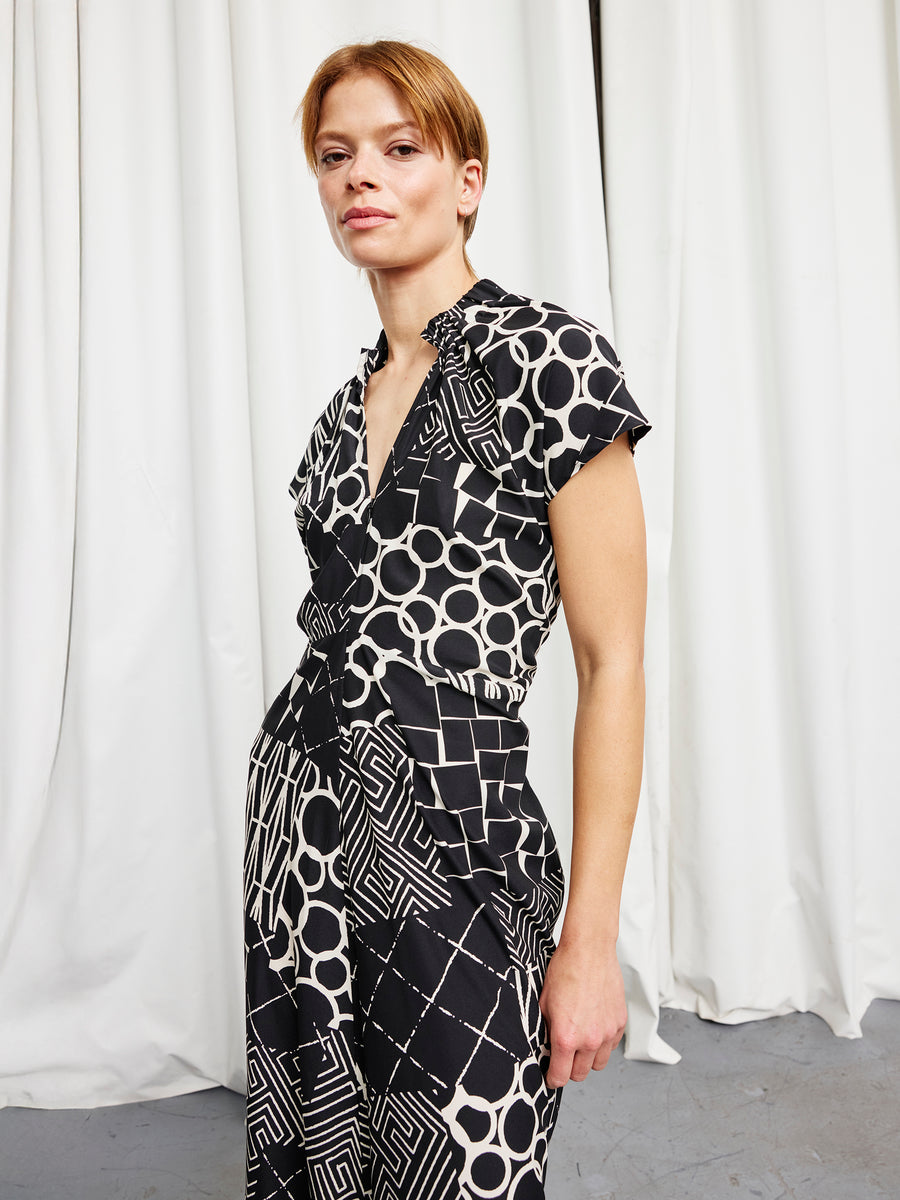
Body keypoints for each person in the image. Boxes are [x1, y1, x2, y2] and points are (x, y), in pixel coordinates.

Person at [243, 39, 651, 1200]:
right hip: (299, 839)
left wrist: (589, 942)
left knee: (463, 1165)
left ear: (467, 181)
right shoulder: (340, 416)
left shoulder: (548, 362)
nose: (360, 176)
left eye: (400, 148)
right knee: (318, 1171)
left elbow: (613, 661)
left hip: (459, 846)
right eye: (335, 156)